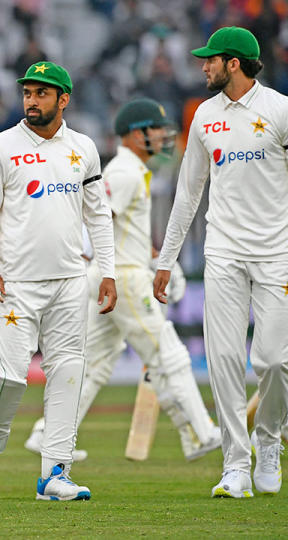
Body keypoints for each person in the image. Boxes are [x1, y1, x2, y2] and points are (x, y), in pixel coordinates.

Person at [24, 99, 221, 462]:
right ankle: (199, 433)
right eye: (157, 130)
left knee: (93, 365)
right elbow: (96, 221)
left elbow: (122, 231)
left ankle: (46, 433)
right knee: (168, 354)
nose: (163, 137)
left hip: (115, 275)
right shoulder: (124, 173)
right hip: (121, 280)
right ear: (136, 133)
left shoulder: (133, 171)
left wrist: (162, 262)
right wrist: (80, 263)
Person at [0, 61, 116, 501]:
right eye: (28, 92)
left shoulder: (84, 147)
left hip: (70, 280)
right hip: (16, 281)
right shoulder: (3, 145)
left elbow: (98, 215)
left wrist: (106, 270)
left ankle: (55, 474)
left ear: (63, 99)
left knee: (68, 373)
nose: (32, 100)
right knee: (9, 376)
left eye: (42, 93)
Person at [153, 26, 288, 498]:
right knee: (225, 359)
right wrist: (165, 260)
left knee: (274, 361)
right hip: (223, 251)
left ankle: (268, 440)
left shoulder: (280, 111)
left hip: (277, 254)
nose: (203, 66)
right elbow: (188, 193)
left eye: (210, 60)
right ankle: (235, 464)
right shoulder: (204, 116)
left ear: (233, 64)